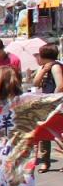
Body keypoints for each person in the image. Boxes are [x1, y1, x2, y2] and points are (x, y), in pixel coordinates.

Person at [33, 44, 63, 172]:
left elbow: (60, 85)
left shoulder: (56, 66)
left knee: (58, 133)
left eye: (39, 54)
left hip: (56, 105)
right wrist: (44, 70)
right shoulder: (45, 67)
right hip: (47, 104)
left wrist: (53, 100)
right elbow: (35, 83)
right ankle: (45, 162)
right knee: (45, 132)